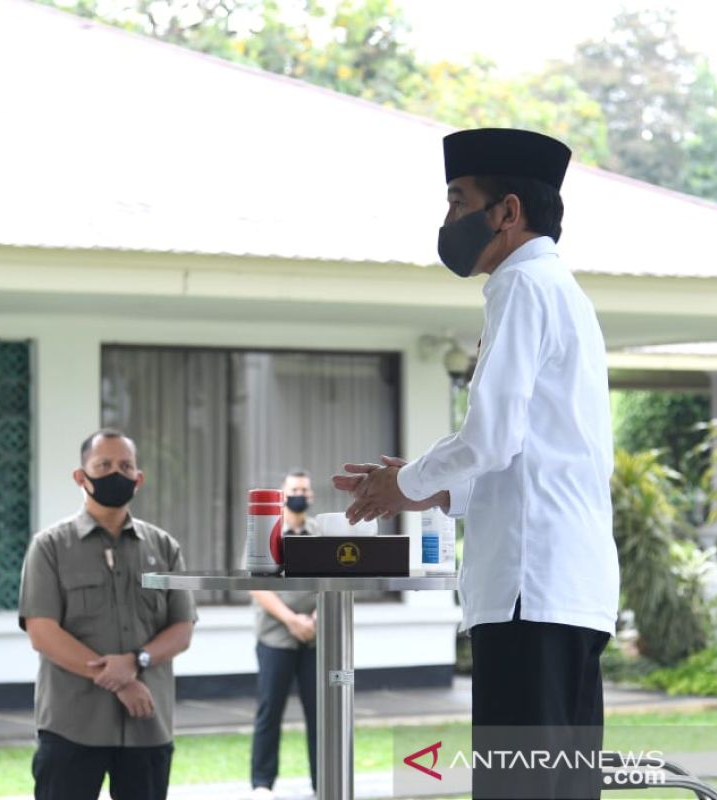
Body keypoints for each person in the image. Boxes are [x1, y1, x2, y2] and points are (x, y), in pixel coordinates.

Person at [333, 128, 619, 799]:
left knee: (519, 790)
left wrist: (402, 483)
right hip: (567, 587)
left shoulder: (521, 288)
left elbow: (490, 439)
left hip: (529, 587)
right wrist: (435, 493)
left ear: (508, 212)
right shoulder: (562, 291)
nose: (448, 220)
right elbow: (529, 449)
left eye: (458, 200)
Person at [19, 429, 197, 800]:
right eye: (103, 465)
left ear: (138, 478)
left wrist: (137, 661)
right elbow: (43, 632)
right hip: (71, 726)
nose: (115, 473)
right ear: (80, 477)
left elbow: (181, 628)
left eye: (125, 466)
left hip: (147, 727)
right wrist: (123, 680)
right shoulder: (50, 547)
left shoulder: (164, 547)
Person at [249, 470, 320, 800]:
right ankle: (262, 785)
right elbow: (256, 584)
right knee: (269, 711)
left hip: (316, 639)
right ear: (282, 494)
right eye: (294, 489)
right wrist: (292, 620)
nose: (299, 494)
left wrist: (316, 618)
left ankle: (325, 783)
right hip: (275, 638)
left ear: (311, 496)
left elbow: (336, 579)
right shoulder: (266, 532)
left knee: (321, 713)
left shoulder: (322, 533)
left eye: (304, 490)